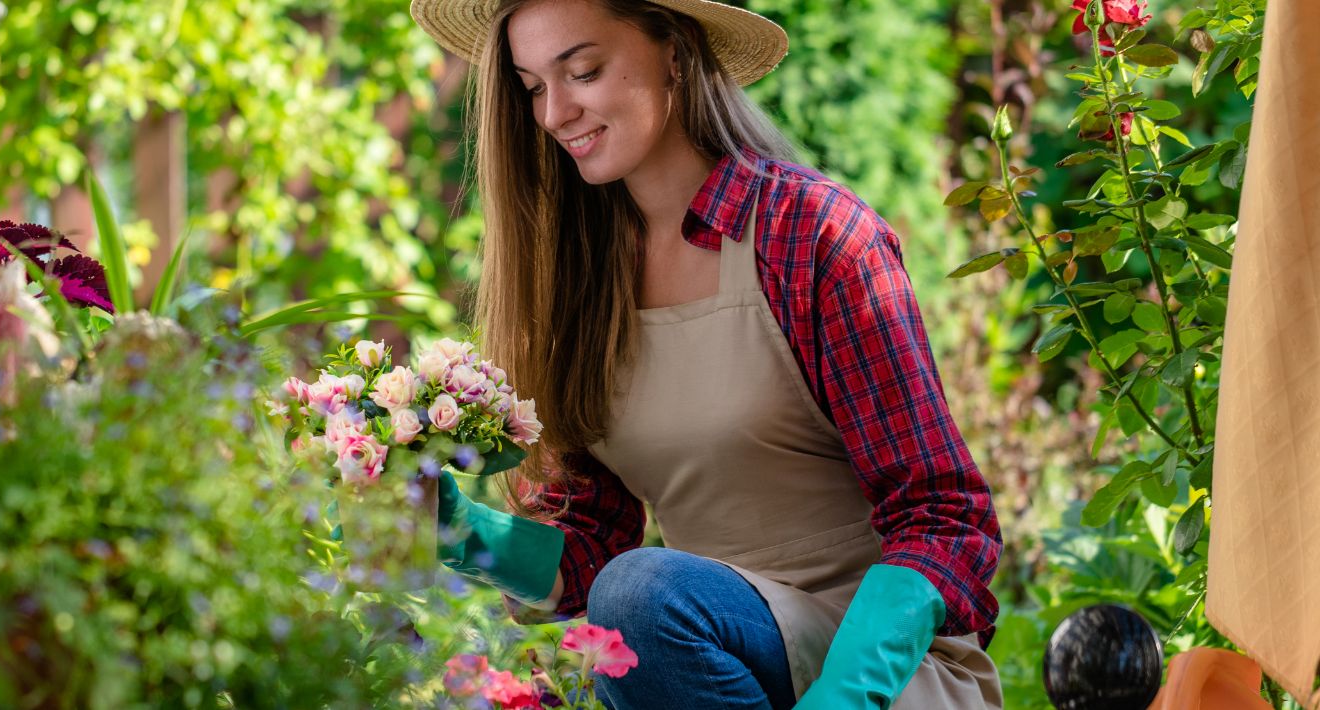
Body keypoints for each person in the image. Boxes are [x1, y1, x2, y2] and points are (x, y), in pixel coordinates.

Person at [407, 0, 1007, 708]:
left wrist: (842, 699)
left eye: (584, 71)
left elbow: (943, 518)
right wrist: (446, 528)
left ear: (675, 52)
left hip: (887, 676)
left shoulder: (811, 237)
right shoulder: (582, 283)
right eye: (535, 86)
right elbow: (591, 544)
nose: (554, 113)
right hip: (714, 666)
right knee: (622, 603)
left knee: (637, 594)